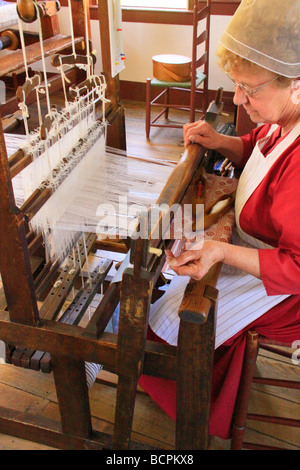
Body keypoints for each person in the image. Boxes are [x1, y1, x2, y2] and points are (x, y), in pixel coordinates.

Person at [139, 0, 300, 441]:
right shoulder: (285, 119)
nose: (237, 99)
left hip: (287, 294)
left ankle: (193, 402)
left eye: (249, 88)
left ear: (297, 85)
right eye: (236, 84)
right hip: (265, 253)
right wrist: (220, 141)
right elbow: (261, 152)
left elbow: (298, 269)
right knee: (177, 286)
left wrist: (220, 250)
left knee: (174, 317)